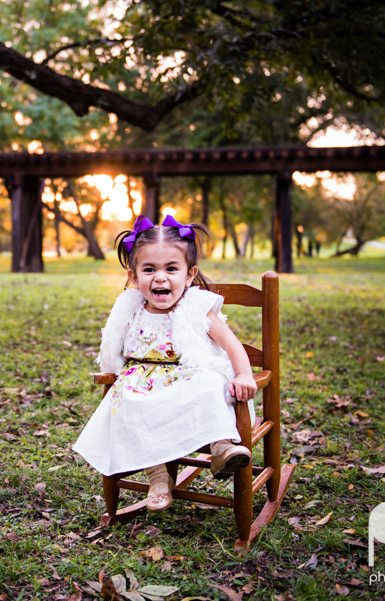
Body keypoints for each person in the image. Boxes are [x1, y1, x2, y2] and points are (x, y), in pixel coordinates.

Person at [72, 214, 258, 513]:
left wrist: (245, 374)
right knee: (128, 403)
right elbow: (113, 346)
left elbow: (231, 344)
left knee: (212, 384)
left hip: (187, 377)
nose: (160, 277)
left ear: (188, 275)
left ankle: (221, 448)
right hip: (143, 381)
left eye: (171, 269)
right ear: (134, 277)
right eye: (149, 269)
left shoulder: (196, 308)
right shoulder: (130, 308)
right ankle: (158, 477)